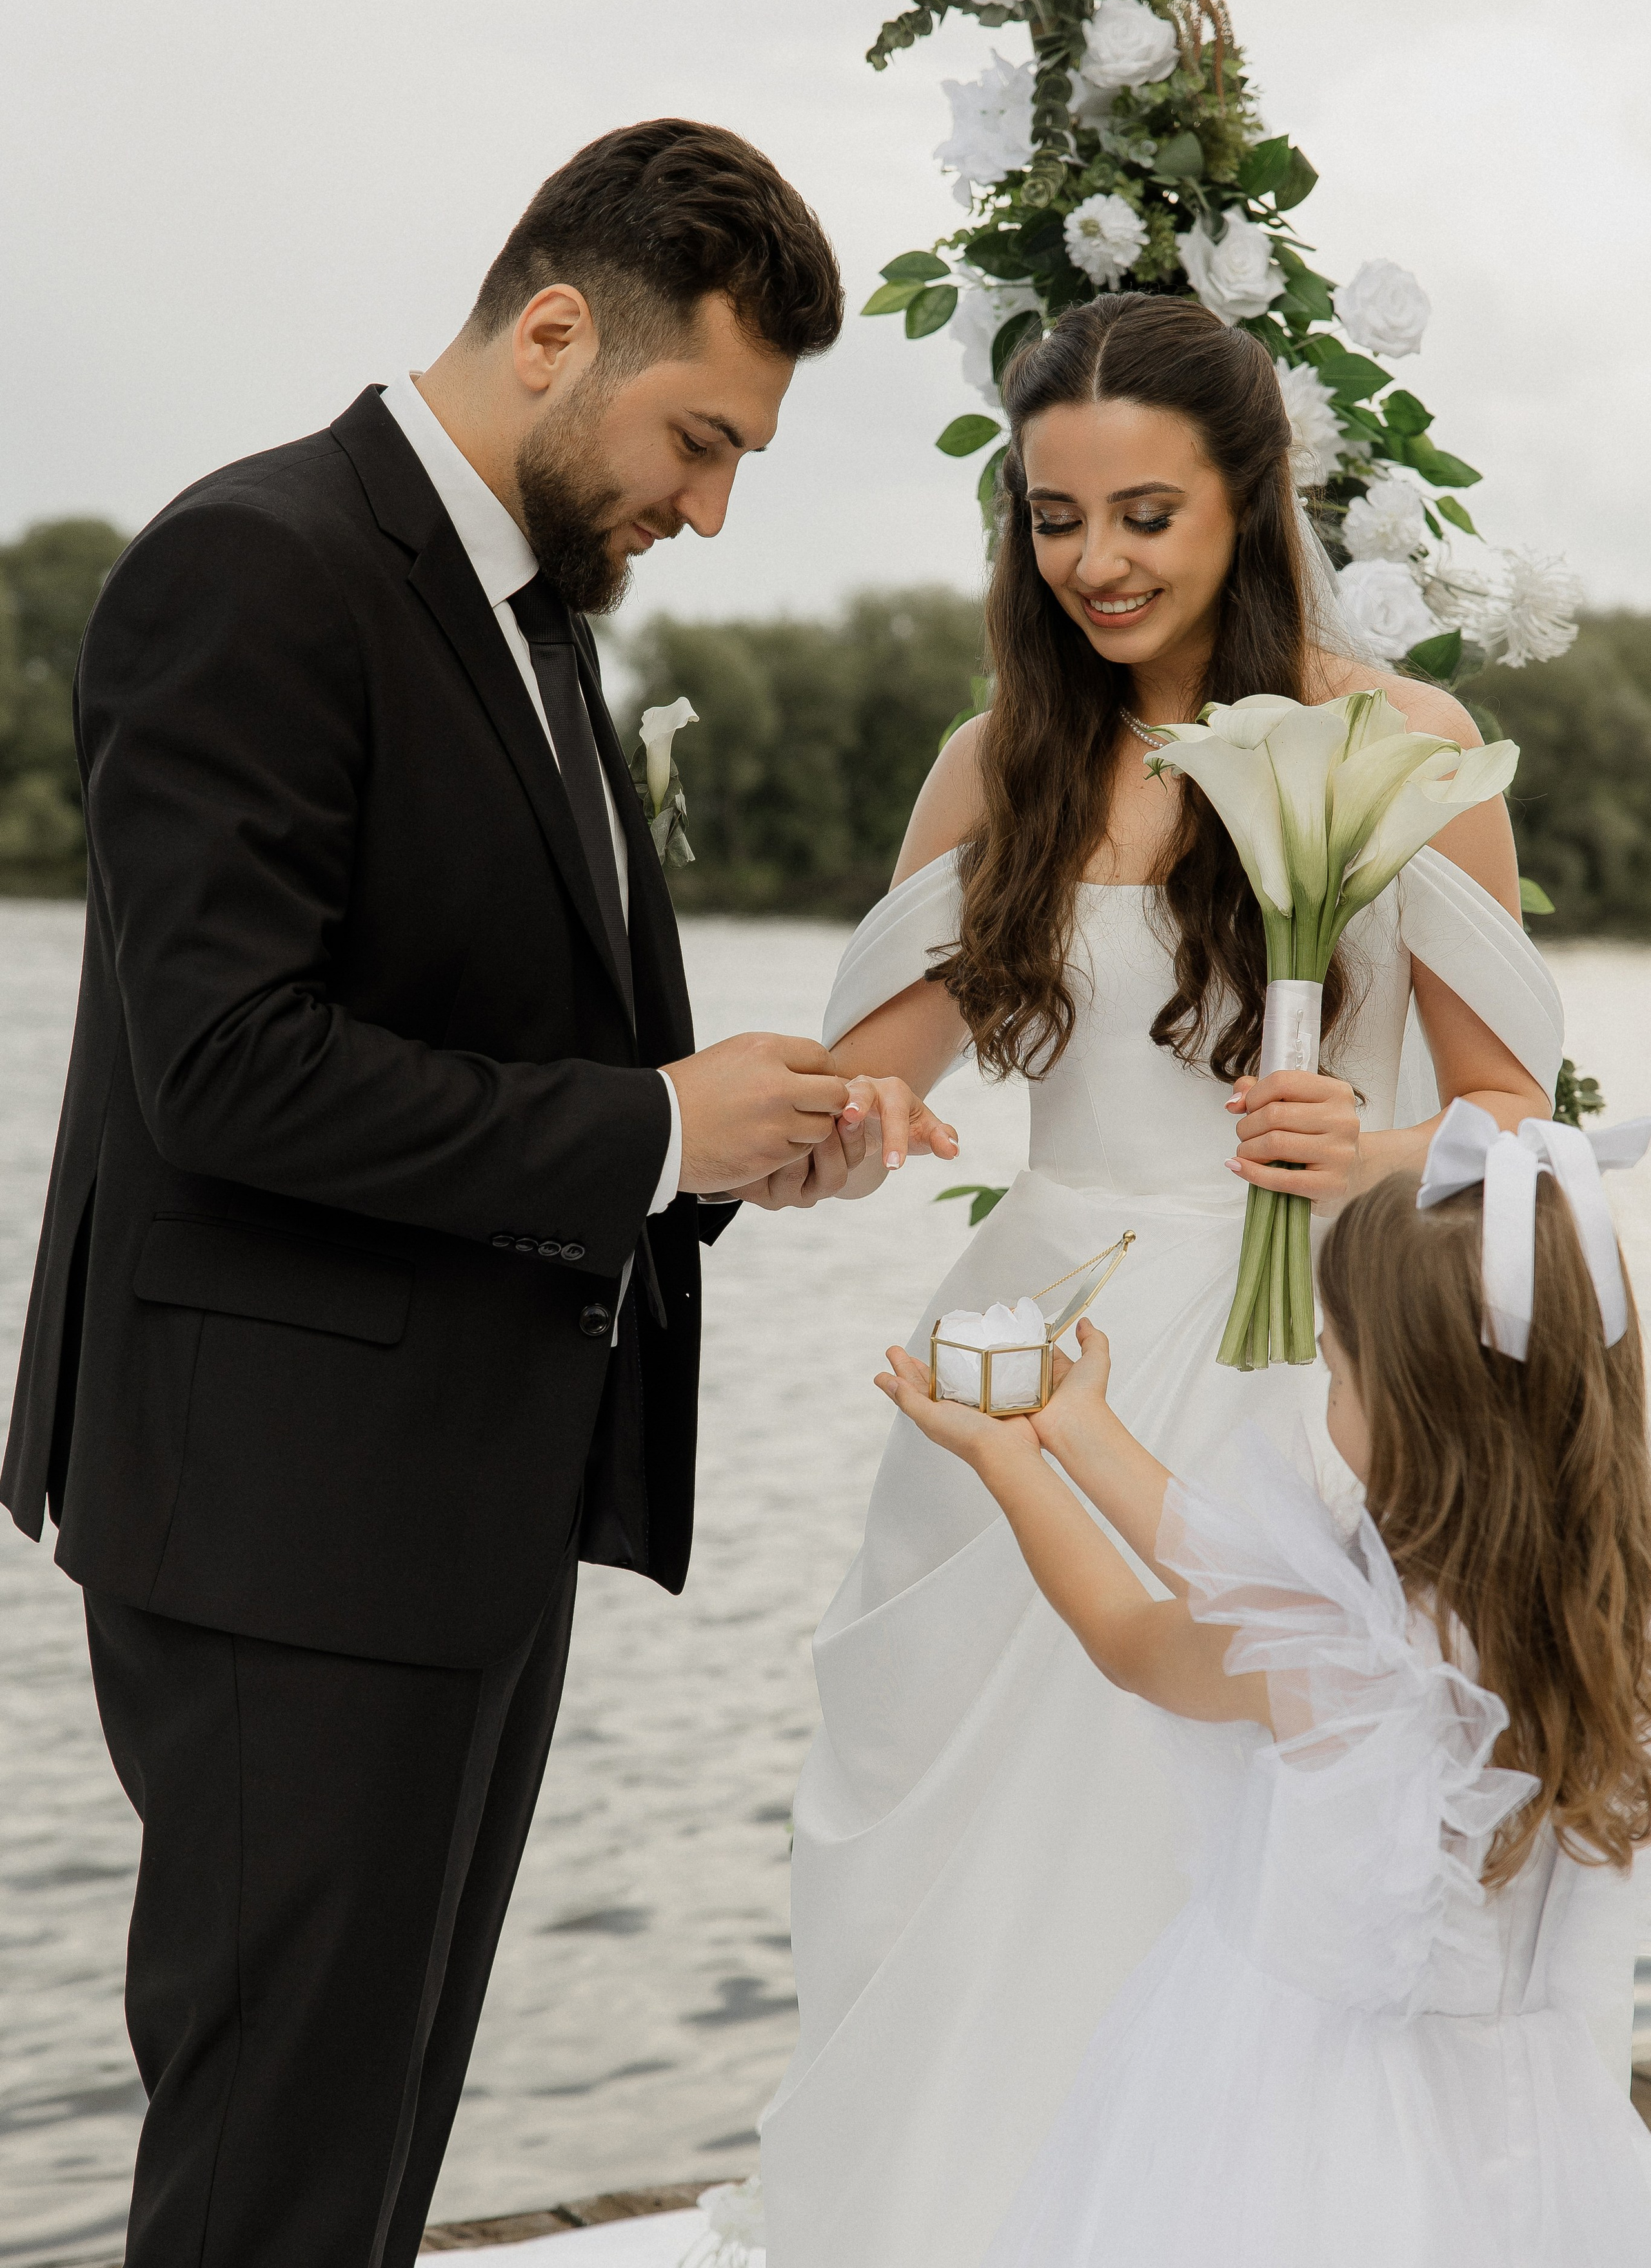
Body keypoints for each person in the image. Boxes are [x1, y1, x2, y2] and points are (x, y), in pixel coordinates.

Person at [0, 118, 947, 2268]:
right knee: (270, 2183)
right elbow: (224, 1069)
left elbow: (534, 1047)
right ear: (550, 331)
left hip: (450, 1522)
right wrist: (649, 1134)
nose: (705, 506)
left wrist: (734, 1148)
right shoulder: (253, 566)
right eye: (700, 438)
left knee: (364, 2169)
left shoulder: (538, 617)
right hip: (279, 1531)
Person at [760, 294, 1572, 2266]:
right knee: (959, 1852)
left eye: (1144, 515)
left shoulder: (1409, 746)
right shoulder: (997, 761)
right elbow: (861, 1091)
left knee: (1197, 1847)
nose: (1097, 564)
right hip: (1028, 1356)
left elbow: (1516, 1130)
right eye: (1053, 520)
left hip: (1294, 1360)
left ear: (1249, 499)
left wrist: (1373, 1154)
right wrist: (849, 1136)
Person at [874, 1101, 1651, 2265]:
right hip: (1527, 2116)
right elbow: (1251, 1578)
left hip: (1308, 2111)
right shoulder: (1610, 1622)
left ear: (1407, 1412)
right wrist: (1084, 1433)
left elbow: (1132, 1634)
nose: (1326, 1399)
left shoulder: (1344, 1648)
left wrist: (1006, 1460)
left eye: (1337, 1373)